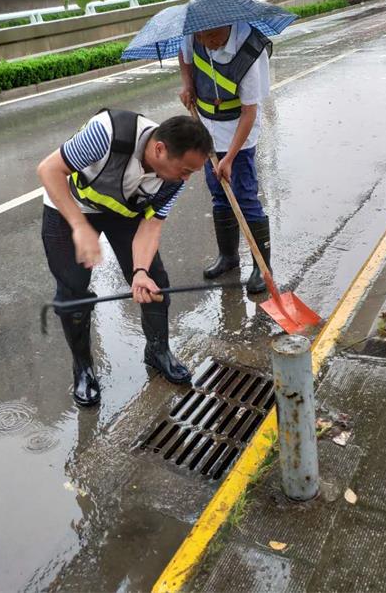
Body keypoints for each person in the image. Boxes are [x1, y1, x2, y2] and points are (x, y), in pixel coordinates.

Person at [38, 109, 212, 407]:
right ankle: (83, 368)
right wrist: (79, 227)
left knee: (156, 282)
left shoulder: (173, 179)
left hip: (124, 212)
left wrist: (140, 271)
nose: (187, 178)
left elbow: (151, 225)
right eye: (185, 170)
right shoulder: (107, 134)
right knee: (73, 293)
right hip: (71, 207)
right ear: (160, 149)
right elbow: (48, 169)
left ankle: (158, 351)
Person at [178, 21, 272, 294]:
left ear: (229, 26)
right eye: (205, 37)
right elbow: (185, 55)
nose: (211, 42)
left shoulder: (248, 53)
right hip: (207, 125)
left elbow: (249, 112)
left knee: (244, 196)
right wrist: (187, 84)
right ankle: (228, 257)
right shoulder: (193, 35)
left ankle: (262, 267)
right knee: (218, 192)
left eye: (216, 35)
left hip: (238, 132)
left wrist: (229, 158)